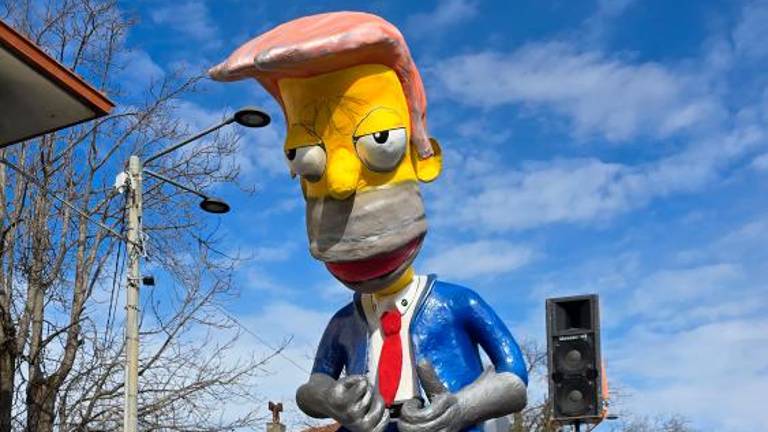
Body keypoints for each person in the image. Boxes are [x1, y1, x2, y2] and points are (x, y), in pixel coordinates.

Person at [210, 12, 528, 432]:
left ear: (422, 158)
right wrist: (330, 398)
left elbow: (514, 377)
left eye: (382, 141)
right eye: (306, 160)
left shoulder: (455, 303)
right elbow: (313, 386)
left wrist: (462, 408)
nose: (342, 187)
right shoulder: (346, 322)